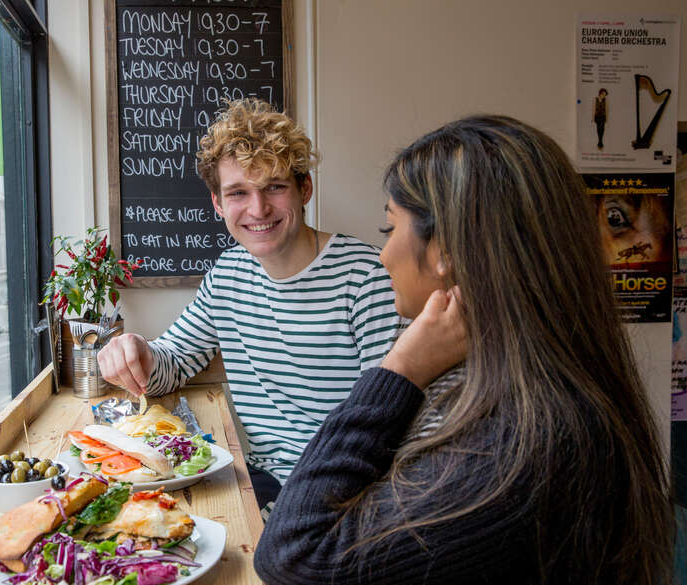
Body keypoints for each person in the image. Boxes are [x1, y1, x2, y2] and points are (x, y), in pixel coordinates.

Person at [253, 115, 673, 585]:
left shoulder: (518, 446)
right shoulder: (505, 379)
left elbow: (292, 556)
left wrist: (398, 372)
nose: (382, 254)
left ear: (446, 250)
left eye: (390, 228)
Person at [97, 98, 406, 511]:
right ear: (218, 204)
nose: (258, 209)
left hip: (344, 494)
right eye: (238, 193)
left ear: (304, 190)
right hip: (261, 483)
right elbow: (173, 363)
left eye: (274, 187)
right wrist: (136, 352)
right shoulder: (229, 274)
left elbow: (387, 422)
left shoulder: (367, 276)